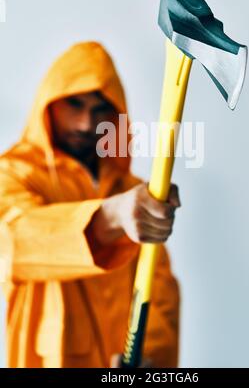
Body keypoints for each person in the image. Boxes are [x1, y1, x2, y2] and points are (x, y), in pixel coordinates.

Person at [0, 41, 181, 368]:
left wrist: (152, 361)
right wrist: (111, 216)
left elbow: (160, 292)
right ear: (48, 104)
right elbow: (12, 243)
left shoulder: (137, 193)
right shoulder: (13, 175)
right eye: (74, 104)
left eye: (99, 110)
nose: (86, 124)